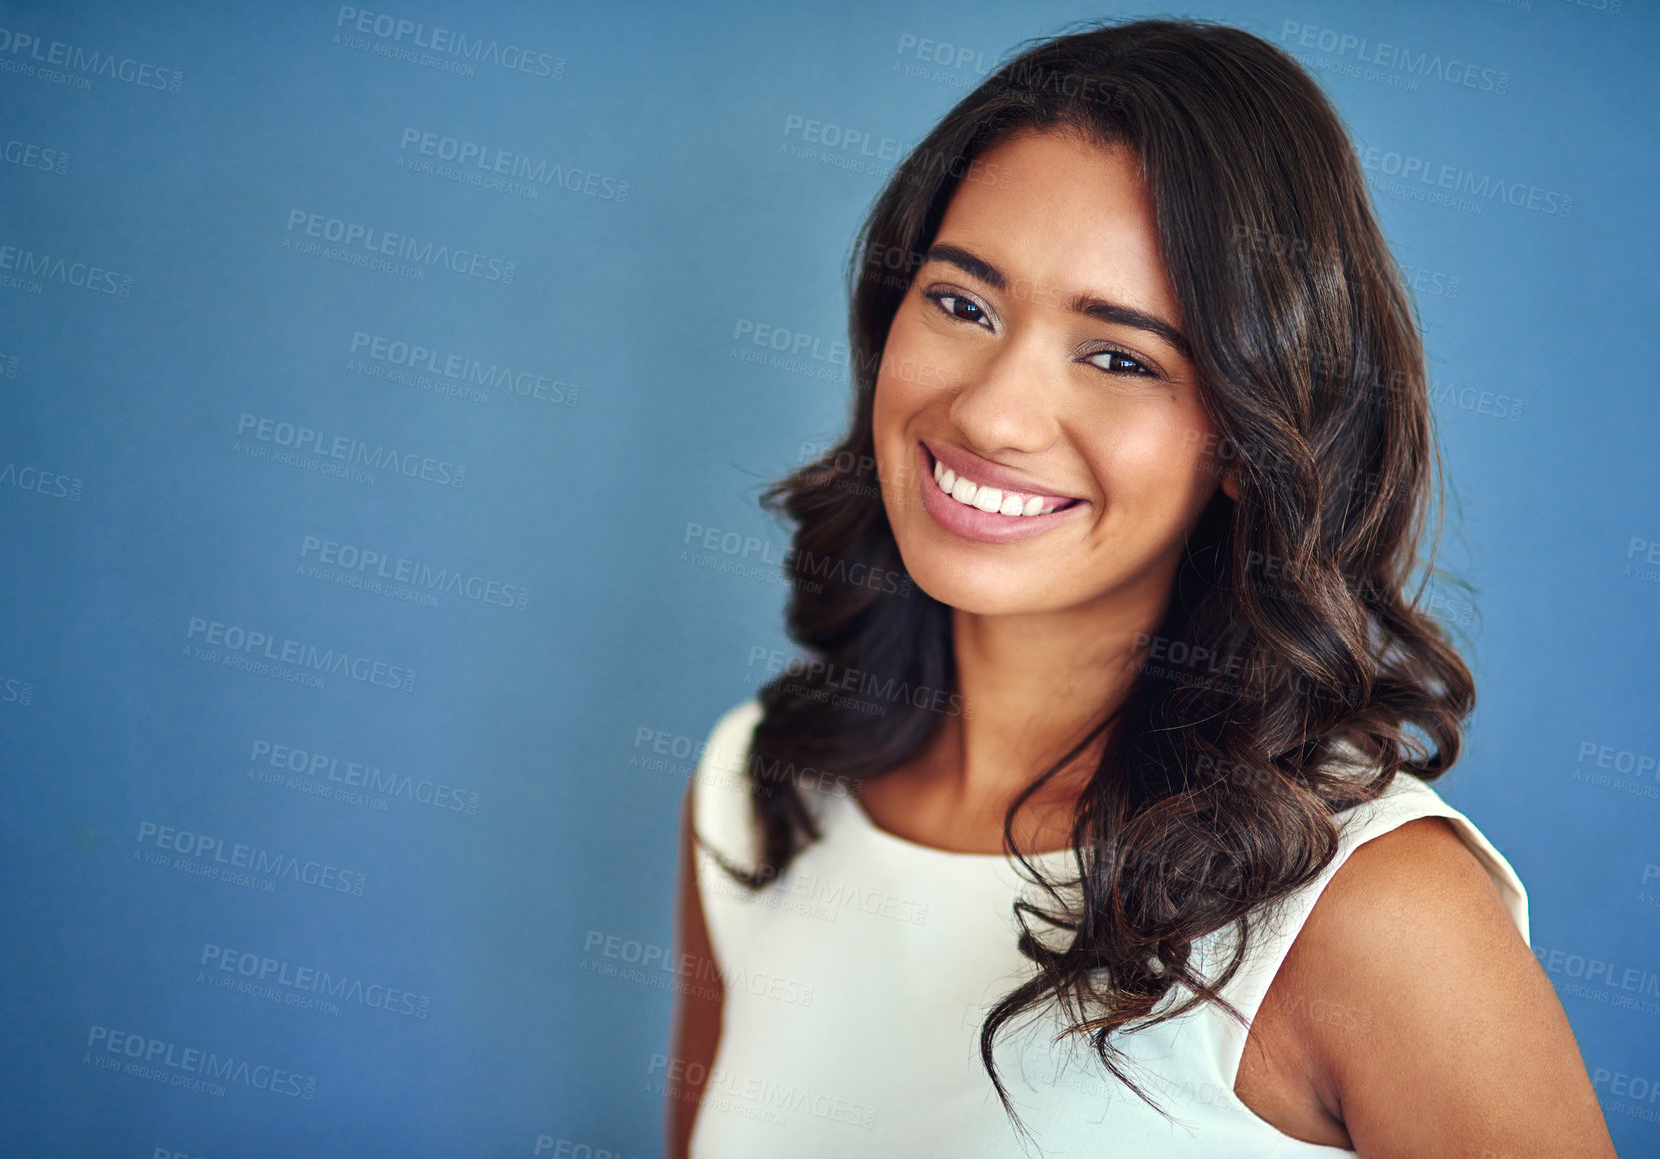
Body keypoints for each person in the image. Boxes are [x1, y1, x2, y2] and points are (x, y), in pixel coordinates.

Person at [666, 17, 1616, 1158]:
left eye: (1121, 358)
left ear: (1249, 439)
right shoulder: (758, 787)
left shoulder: (1372, 911)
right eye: (963, 303)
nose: (990, 414)